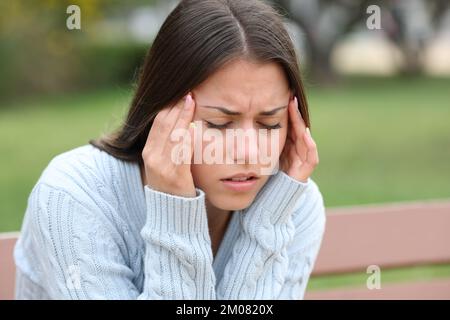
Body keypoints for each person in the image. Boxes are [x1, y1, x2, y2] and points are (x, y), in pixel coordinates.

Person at [14, 0, 326, 299]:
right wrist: (174, 207)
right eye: (218, 123)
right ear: (161, 111)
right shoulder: (75, 196)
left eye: (269, 123)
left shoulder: (292, 207)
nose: (248, 152)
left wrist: (268, 224)